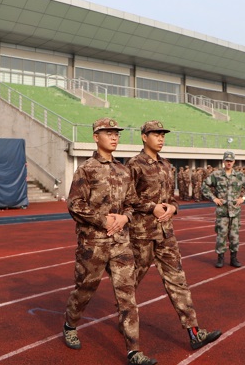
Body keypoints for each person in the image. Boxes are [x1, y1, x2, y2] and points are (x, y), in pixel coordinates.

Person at [63, 117, 157, 365]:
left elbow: (131, 203)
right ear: (96, 137)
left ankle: (134, 351)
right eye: (108, 133)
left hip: (120, 243)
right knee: (85, 290)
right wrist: (102, 220)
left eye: (116, 133)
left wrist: (124, 218)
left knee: (128, 296)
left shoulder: (123, 170)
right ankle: (70, 324)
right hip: (93, 244)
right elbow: (75, 205)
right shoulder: (86, 169)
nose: (114, 137)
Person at [126, 120, 222, 351]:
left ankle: (194, 332)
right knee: (130, 282)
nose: (160, 138)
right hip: (142, 235)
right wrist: (152, 207)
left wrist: (173, 207)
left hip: (166, 234)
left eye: (163, 135)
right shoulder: (134, 165)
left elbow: (171, 198)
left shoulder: (167, 165)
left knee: (178, 281)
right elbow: (127, 198)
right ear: (144, 137)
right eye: (156, 134)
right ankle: (124, 317)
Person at [201, 151, 245, 268]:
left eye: (231, 161)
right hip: (222, 212)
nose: (229, 163)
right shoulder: (216, 175)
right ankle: (220, 259)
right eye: (227, 161)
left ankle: (233, 259)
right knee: (221, 236)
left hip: (235, 211)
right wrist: (213, 198)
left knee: (234, 237)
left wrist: (243, 198)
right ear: (223, 161)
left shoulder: (239, 176)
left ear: (234, 162)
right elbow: (204, 186)